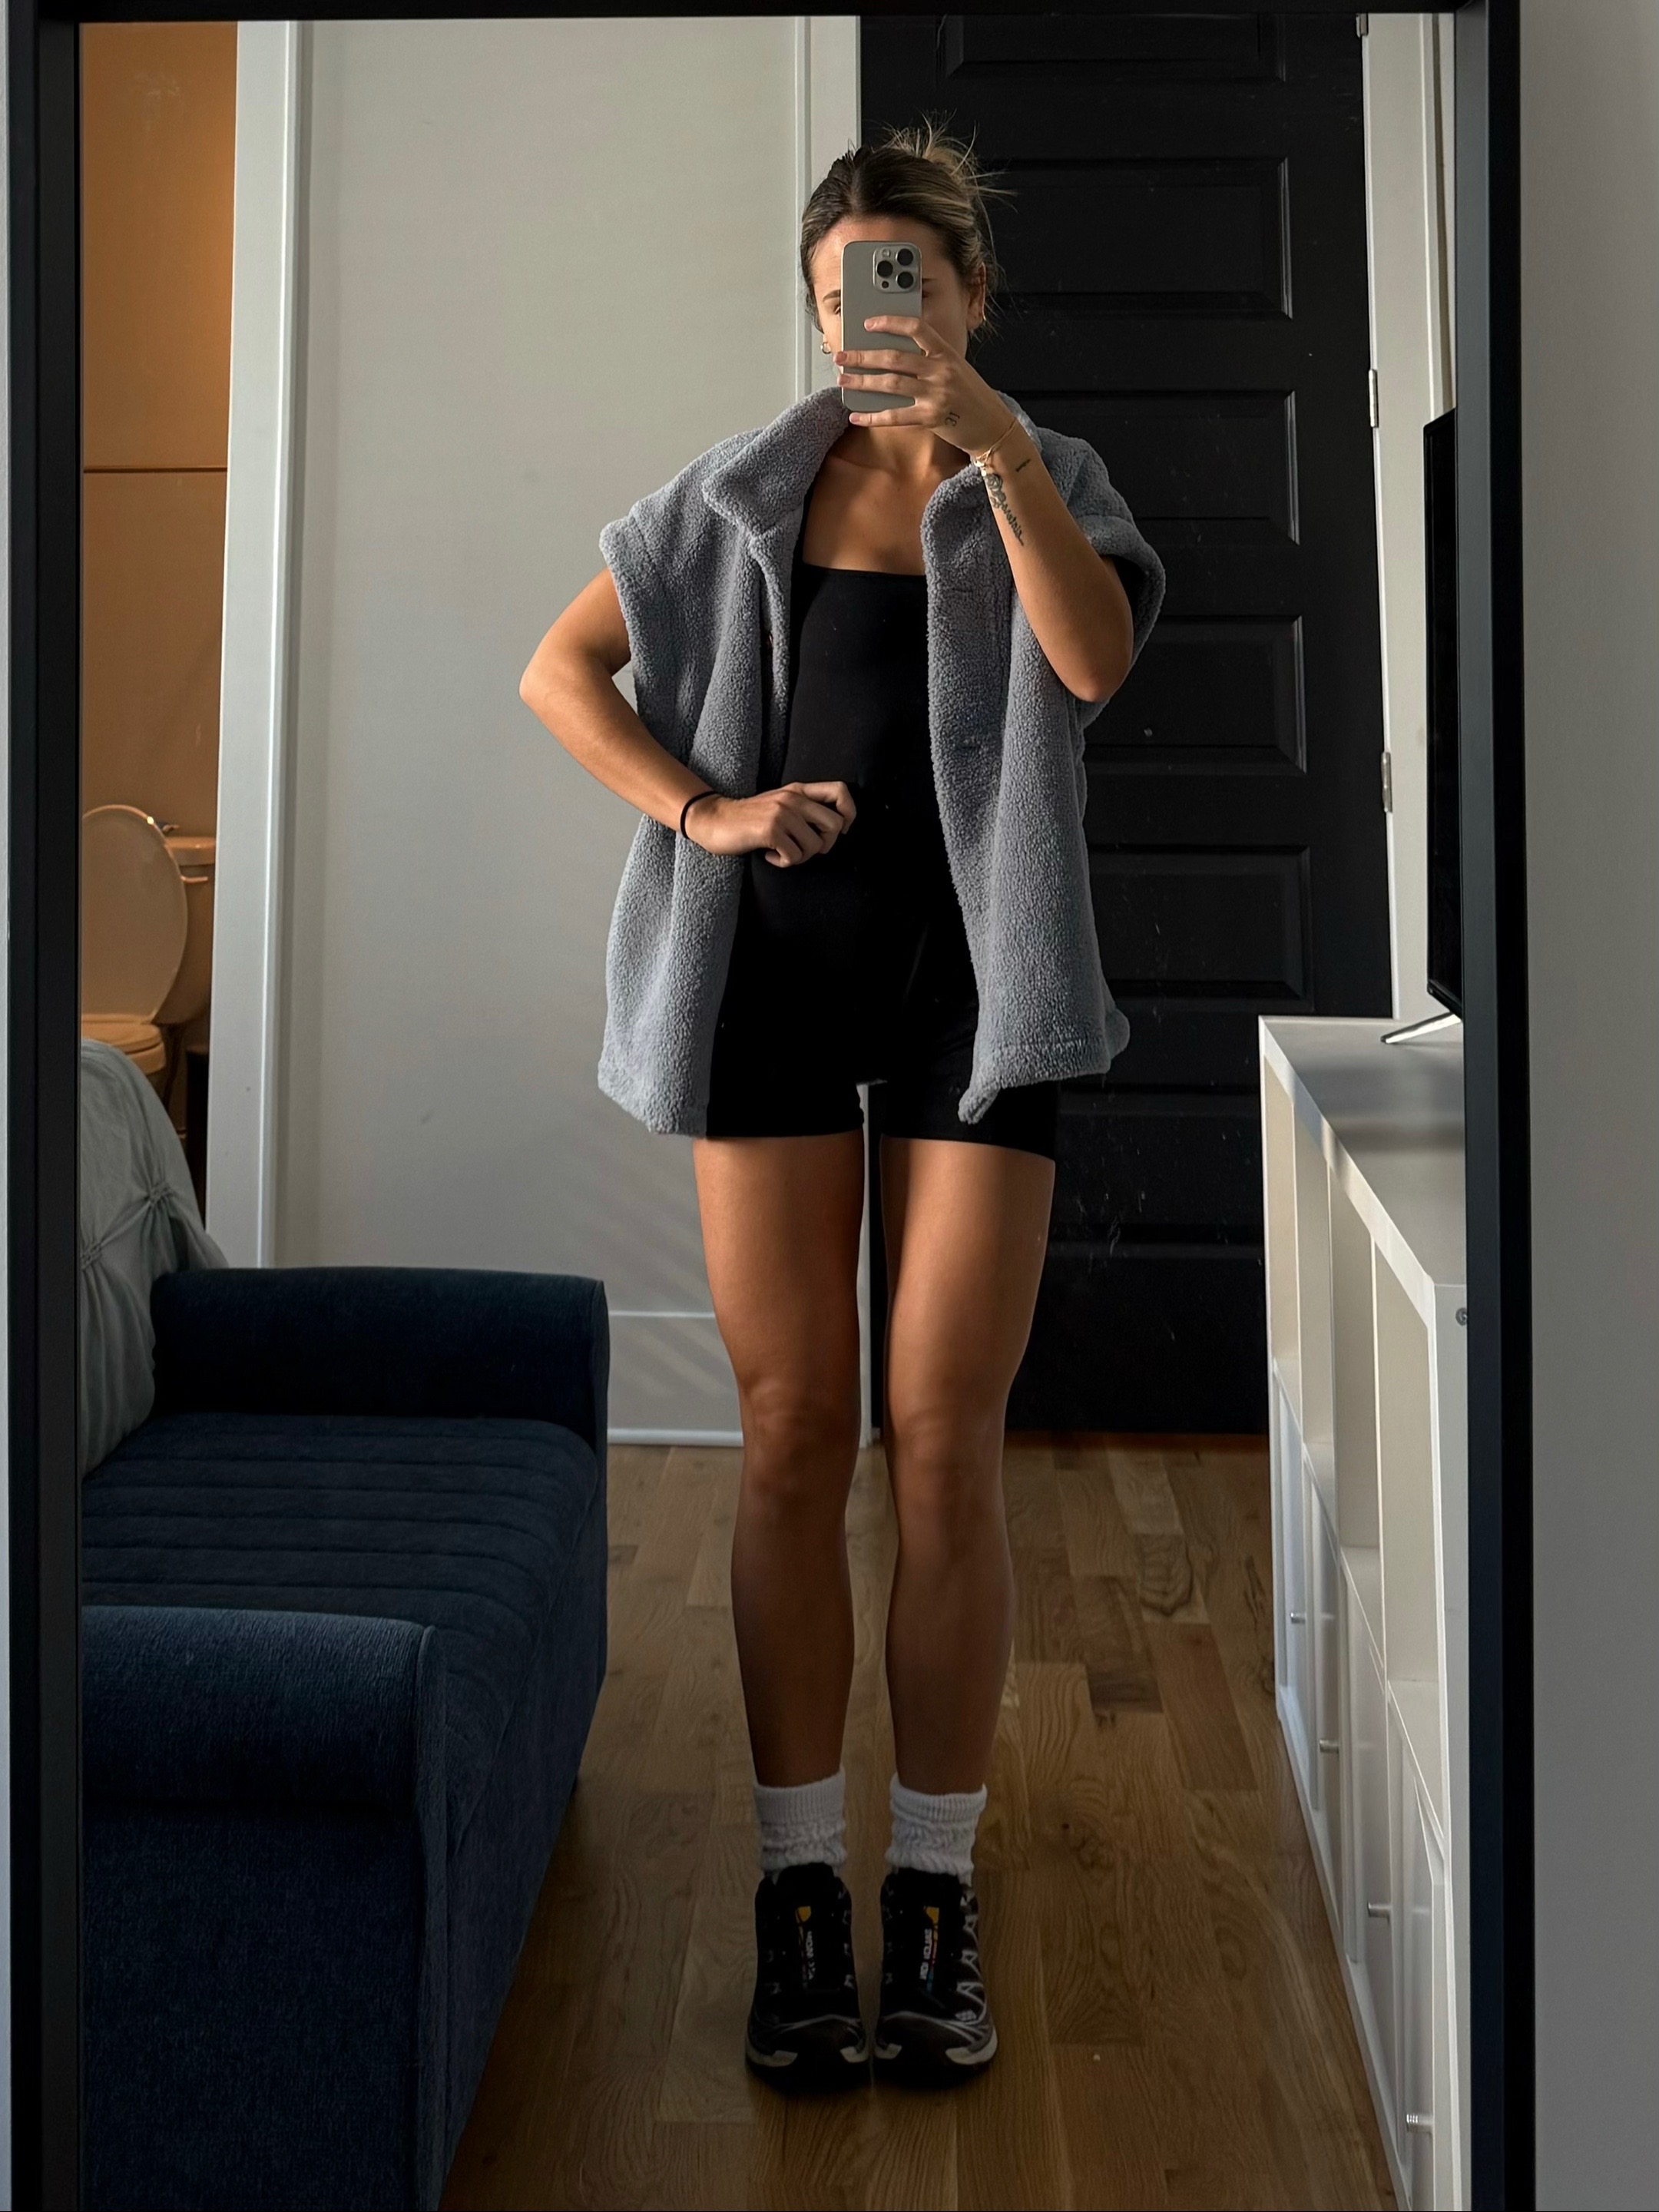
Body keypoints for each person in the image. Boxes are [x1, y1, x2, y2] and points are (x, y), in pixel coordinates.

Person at [518, 121, 1164, 2091]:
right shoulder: (738, 495)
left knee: (945, 1443)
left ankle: (933, 1890)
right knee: (797, 1433)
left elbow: (1093, 664)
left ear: (967, 291)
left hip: (981, 999)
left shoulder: (1045, 475)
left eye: (903, 287)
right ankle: (803, 1888)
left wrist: (996, 445)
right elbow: (561, 673)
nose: (867, 326)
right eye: (836, 298)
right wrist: (706, 811)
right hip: (774, 992)